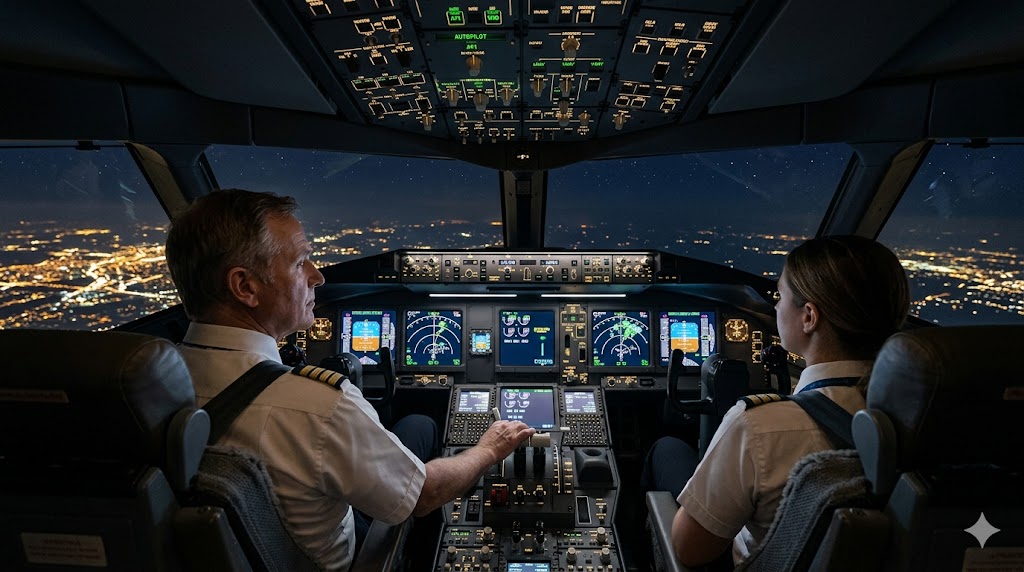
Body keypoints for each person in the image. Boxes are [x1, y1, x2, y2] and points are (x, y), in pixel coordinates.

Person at [165, 189, 535, 571]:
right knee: (422, 434)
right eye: (300, 263)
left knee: (418, 425)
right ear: (245, 287)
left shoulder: (148, 390)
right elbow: (424, 494)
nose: (318, 276)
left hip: (255, 544)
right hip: (340, 557)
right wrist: (489, 449)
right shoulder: (319, 407)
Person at [642, 235, 910, 567]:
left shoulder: (760, 427)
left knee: (665, 448)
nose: (775, 307)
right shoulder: (924, 421)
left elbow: (689, 551)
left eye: (779, 296)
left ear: (809, 317)